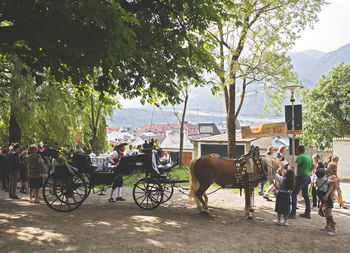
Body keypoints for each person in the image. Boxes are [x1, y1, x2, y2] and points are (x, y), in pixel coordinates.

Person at [289, 145, 313, 219]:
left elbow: (294, 166)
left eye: (297, 150)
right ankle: (307, 213)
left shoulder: (300, 157)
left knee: (294, 194)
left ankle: (293, 213)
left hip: (301, 177)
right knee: (305, 195)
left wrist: (289, 171)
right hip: (307, 177)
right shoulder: (308, 157)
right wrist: (308, 171)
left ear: (298, 150)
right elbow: (314, 165)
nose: (296, 152)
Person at [321, 163, 338, 236]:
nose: (327, 169)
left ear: (333, 170)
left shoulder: (333, 177)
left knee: (329, 213)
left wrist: (327, 195)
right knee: (325, 211)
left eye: (329, 168)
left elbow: (331, 187)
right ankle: (328, 226)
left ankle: (334, 229)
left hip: (329, 197)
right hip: (327, 197)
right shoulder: (329, 176)